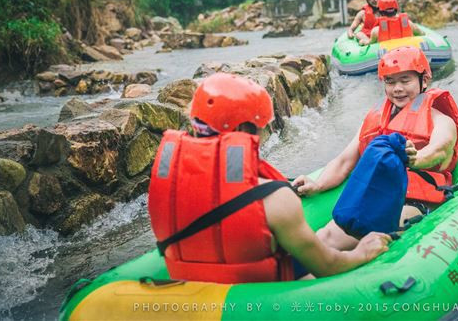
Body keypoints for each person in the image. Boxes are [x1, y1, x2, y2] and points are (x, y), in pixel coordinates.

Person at [148, 73, 391, 283]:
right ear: (245, 130)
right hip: (262, 297)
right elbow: (328, 266)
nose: (264, 132)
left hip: (192, 289)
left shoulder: (165, 183)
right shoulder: (274, 198)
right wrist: (362, 252)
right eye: (262, 126)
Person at [292, 47, 458, 250]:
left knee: (348, 239)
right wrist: (318, 185)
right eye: (390, 81)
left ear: (424, 80)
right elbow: (345, 161)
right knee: (324, 237)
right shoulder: (376, 119)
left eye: (405, 80)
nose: (397, 88)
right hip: (375, 195)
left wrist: (415, 159)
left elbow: (440, 150)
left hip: (415, 202)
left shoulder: (440, 120)